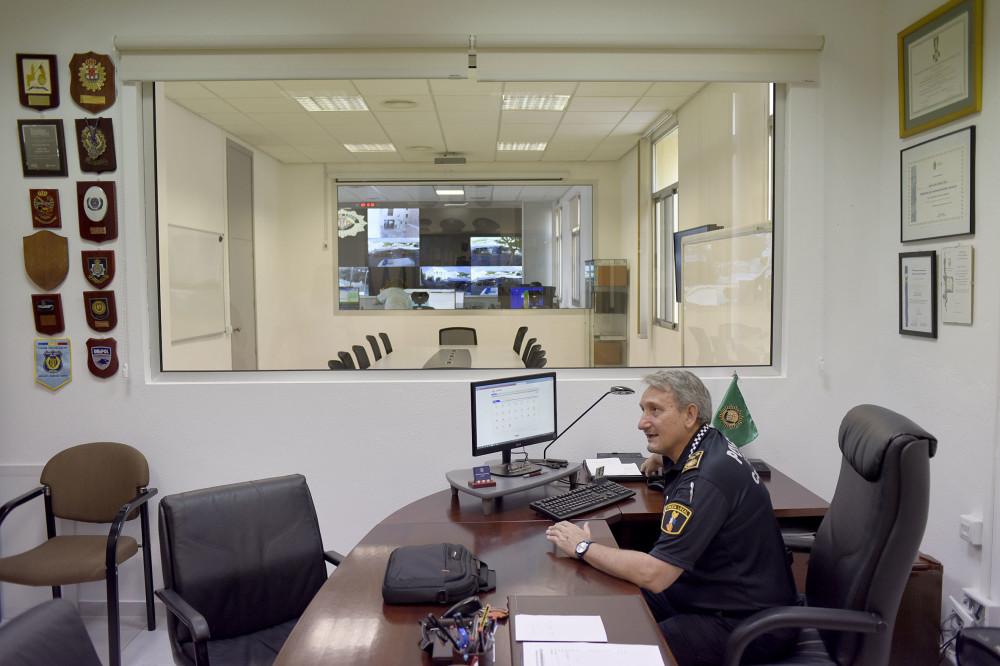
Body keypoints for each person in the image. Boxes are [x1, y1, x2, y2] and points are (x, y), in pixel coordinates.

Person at [544, 369, 797, 665]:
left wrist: (583, 547)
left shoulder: (706, 478)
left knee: (634, 650)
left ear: (690, 415)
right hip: (709, 594)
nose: (642, 423)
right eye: (643, 410)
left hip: (747, 624)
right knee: (612, 602)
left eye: (655, 411)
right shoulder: (707, 444)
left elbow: (656, 574)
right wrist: (665, 458)